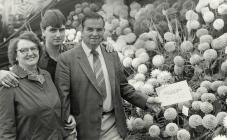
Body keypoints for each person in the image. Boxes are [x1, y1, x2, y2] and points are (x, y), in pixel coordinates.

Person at [55, 12, 160, 140]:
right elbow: (63, 97)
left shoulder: (111, 54)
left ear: (103, 30)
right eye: (90, 29)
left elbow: (122, 87)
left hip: (114, 126)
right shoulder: (67, 59)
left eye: (99, 29)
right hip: (85, 130)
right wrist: (68, 129)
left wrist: (145, 100)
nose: (95, 33)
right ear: (82, 30)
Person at [0, 9, 114, 86]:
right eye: (53, 30)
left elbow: (90, 48)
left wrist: (103, 45)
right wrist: (1, 74)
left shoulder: (73, 49)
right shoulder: (35, 56)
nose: (58, 35)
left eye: (61, 30)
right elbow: (17, 71)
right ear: (43, 31)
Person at [0, 31, 74, 140]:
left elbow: (52, 110)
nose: (30, 53)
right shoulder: (10, 82)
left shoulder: (46, 75)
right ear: (15, 56)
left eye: (33, 48)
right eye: (23, 50)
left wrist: (67, 118)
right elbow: (6, 131)